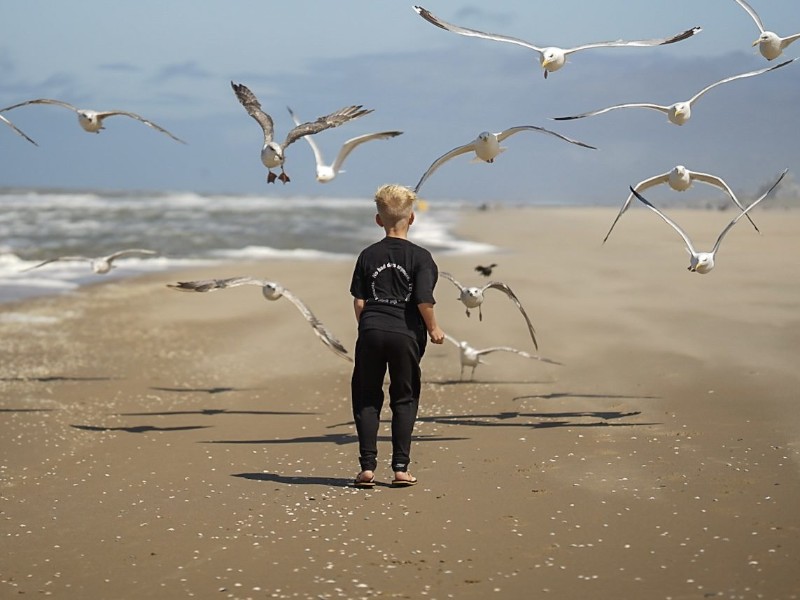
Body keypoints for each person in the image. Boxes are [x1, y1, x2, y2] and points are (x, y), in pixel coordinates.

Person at [349, 184, 445, 488]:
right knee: (404, 398)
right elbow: (423, 299)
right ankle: (401, 468)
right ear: (412, 219)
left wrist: (368, 327)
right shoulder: (421, 257)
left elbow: (360, 301)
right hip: (405, 334)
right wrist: (434, 328)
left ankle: (367, 468)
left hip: (372, 330)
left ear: (379, 220)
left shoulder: (367, 255)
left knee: (367, 396)